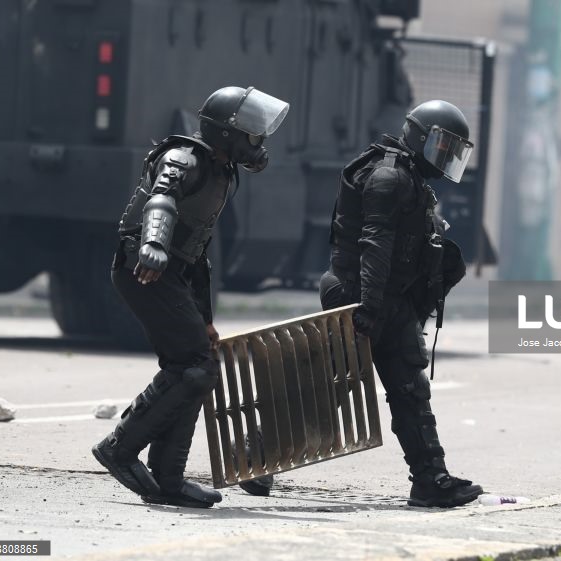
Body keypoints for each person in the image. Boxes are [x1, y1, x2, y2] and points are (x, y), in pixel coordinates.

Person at [92, 86, 289, 509]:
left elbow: (197, 254)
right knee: (196, 367)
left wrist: (205, 318)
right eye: (251, 133)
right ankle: (121, 448)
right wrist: (155, 244)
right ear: (226, 132)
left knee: (195, 366)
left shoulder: (220, 170)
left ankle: (168, 479)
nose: (257, 141)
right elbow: (161, 198)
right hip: (144, 269)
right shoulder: (185, 158)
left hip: (171, 273)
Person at [319, 100, 484, 507]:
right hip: (358, 294)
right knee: (329, 389)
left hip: (387, 299)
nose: (445, 157)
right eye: (442, 147)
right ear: (421, 138)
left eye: (452, 151)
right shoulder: (389, 177)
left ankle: (431, 480)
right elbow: (375, 244)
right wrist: (368, 308)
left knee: (411, 390)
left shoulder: (410, 178)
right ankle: (259, 454)